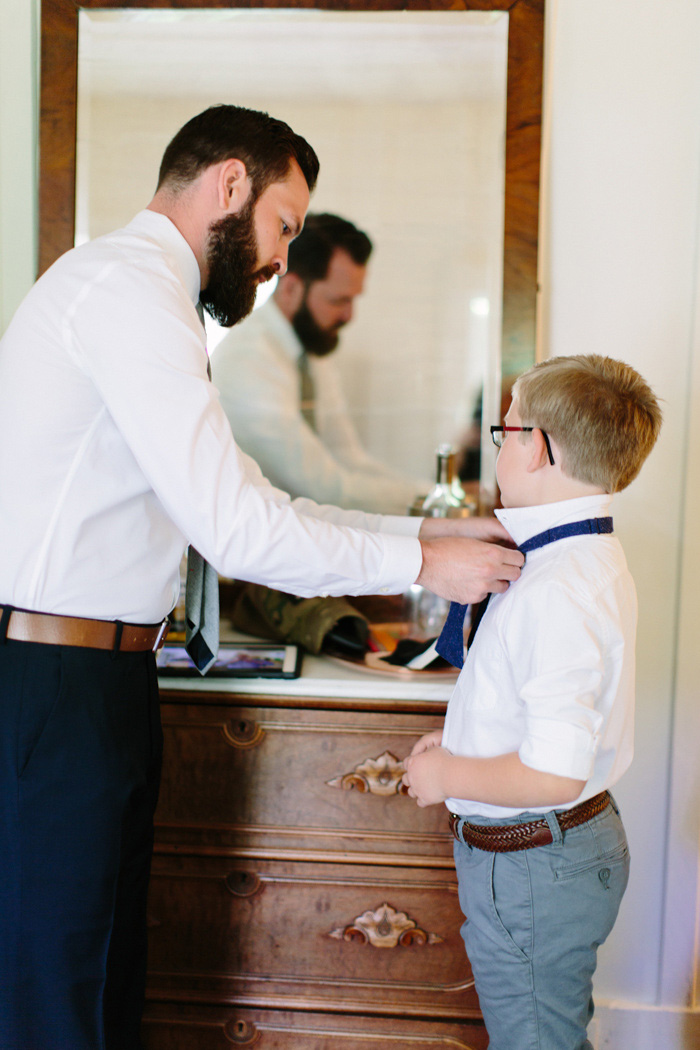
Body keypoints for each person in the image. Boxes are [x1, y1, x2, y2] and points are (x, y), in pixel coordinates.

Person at [0, 104, 524, 1050]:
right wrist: (421, 557)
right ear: (230, 185)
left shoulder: (152, 308)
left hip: (105, 683)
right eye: (285, 224)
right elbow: (239, 530)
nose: (282, 257)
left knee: (103, 978)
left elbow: (255, 499)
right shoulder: (124, 292)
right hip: (53, 688)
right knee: (56, 993)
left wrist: (423, 531)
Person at [402, 355, 662, 1050]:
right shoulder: (577, 558)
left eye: (505, 429)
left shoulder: (559, 588)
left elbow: (552, 773)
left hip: (532, 869)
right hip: (549, 856)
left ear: (536, 446)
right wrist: (458, 750)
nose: (500, 445)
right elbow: (524, 701)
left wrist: (447, 778)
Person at [212, 212, 427, 513]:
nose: (349, 316)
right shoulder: (248, 361)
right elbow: (325, 488)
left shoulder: (309, 348)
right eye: (339, 300)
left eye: (353, 300)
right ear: (291, 288)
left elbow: (348, 458)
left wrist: (430, 495)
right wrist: (428, 502)